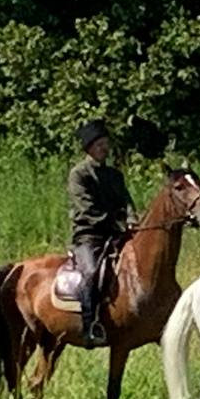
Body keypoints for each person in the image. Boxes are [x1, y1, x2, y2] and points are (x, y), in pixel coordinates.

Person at [67, 119, 139, 347]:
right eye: (99, 144)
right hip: (89, 236)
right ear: (89, 147)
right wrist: (113, 223)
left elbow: (126, 201)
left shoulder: (115, 175)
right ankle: (90, 326)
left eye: (106, 144)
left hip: (116, 234)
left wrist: (131, 218)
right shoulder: (79, 174)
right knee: (90, 272)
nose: (104, 148)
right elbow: (86, 208)